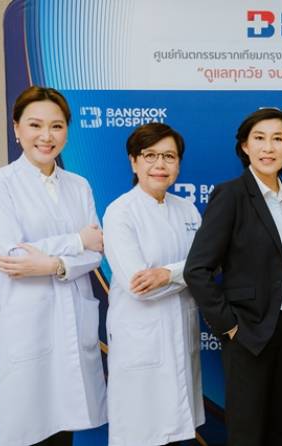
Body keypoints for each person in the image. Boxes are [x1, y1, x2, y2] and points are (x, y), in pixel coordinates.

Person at [0, 86, 106, 446]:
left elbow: (96, 252)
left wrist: (53, 264)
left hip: (72, 317)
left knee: (63, 427)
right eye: (35, 125)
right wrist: (76, 242)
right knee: (27, 426)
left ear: (67, 131)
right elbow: (11, 256)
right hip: (27, 320)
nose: (46, 136)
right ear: (16, 128)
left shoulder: (79, 185)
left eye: (57, 126)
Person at [183, 108, 282, 446]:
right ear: (245, 146)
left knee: (280, 430)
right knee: (247, 433)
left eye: (278, 139)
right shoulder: (231, 195)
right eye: (259, 138)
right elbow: (196, 270)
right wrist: (229, 327)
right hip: (247, 334)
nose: (268, 148)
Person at [103, 123, 204, 446]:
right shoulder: (120, 212)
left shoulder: (188, 210)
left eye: (169, 156)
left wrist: (166, 274)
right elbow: (139, 285)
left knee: (176, 433)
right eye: (150, 155)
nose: (160, 164)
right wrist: (185, 274)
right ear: (134, 161)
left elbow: (208, 267)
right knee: (141, 432)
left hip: (181, 333)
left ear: (178, 164)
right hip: (141, 341)